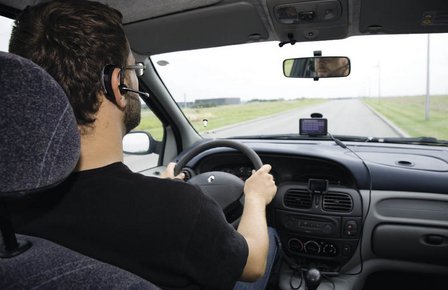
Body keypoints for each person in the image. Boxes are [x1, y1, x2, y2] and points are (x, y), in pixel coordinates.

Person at [8, 1, 279, 289]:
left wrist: (159, 190)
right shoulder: (180, 209)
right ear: (117, 84)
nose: (136, 75)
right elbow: (253, 264)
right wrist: (255, 197)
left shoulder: (10, 207)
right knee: (270, 238)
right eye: (134, 67)